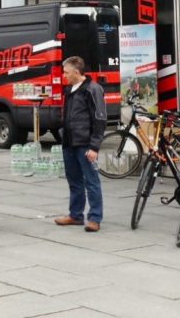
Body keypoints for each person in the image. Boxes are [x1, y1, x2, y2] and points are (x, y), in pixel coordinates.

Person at [54, 56, 106, 232]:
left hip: (85, 143)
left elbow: (99, 119)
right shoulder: (70, 90)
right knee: (74, 181)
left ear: (77, 72)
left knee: (92, 181)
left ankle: (95, 218)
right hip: (69, 142)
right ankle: (75, 215)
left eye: (66, 72)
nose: (64, 75)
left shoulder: (93, 89)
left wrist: (94, 146)